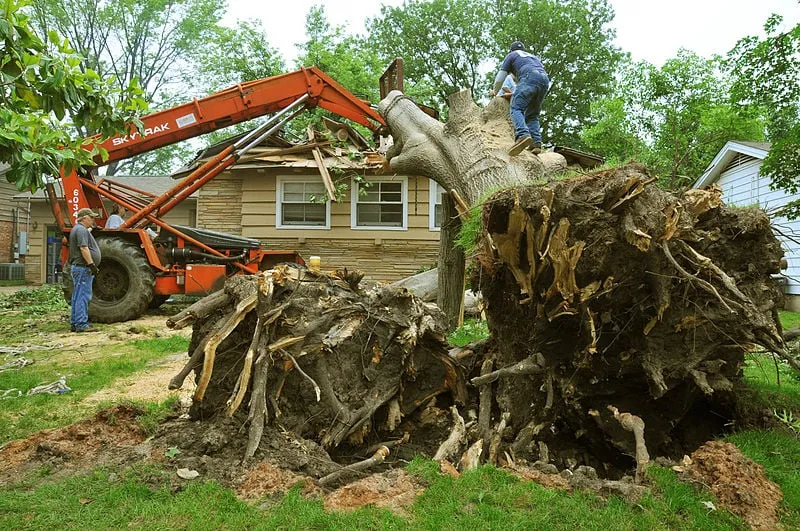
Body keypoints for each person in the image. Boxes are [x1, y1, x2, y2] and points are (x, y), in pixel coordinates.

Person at [490, 41, 550, 156]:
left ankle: (522, 135)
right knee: (532, 114)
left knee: (516, 107)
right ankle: (536, 143)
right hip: (544, 80)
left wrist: (495, 91)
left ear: (511, 50)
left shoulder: (511, 55)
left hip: (529, 76)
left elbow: (500, 78)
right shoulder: (532, 57)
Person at [69, 208, 102, 332]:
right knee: (83, 296)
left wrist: (91, 230)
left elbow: (85, 233)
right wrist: (91, 264)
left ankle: (75, 323)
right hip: (83, 268)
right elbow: (83, 248)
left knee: (77, 296)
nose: (93, 220)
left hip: (79, 268)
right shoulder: (81, 230)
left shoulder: (78, 229)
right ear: (84, 218)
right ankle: (81, 324)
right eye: (91, 217)